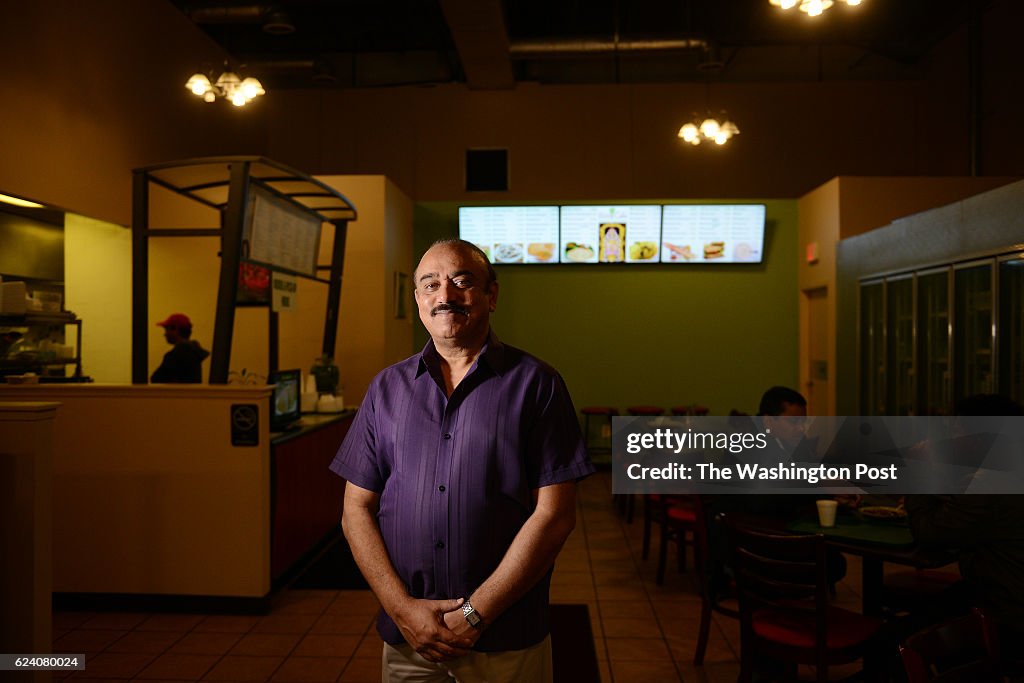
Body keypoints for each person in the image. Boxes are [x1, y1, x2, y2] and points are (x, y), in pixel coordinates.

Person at [329, 239, 594, 682]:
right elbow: (355, 509)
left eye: (462, 282)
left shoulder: (539, 385)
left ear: (492, 295)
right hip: (409, 638)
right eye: (430, 285)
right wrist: (404, 611)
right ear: (418, 301)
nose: (445, 295)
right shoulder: (386, 389)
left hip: (507, 637)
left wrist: (473, 615)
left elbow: (554, 516)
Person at [905, 394, 1024, 654]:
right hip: (1003, 589)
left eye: (957, 430)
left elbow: (930, 533)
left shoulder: (993, 483)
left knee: (900, 638)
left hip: (1005, 609)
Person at [150, 313, 209, 383]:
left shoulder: (181, 351)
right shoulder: (193, 351)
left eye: (166, 329)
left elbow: (157, 378)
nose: (165, 334)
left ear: (175, 329)